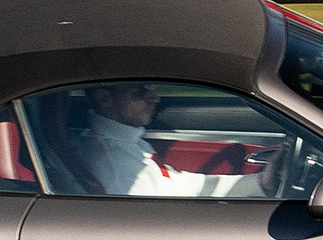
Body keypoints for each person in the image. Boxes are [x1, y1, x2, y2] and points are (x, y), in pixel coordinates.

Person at [73, 82, 269, 198]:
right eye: (140, 92)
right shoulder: (119, 173)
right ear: (104, 98)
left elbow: (180, 186)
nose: (155, 98)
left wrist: (260, 182)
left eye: (152, 88)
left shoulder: (125, 142)